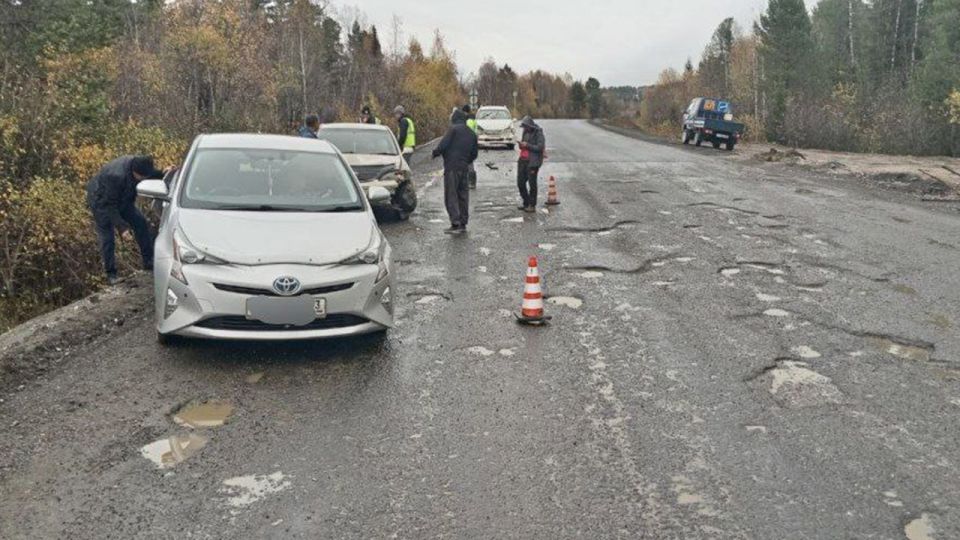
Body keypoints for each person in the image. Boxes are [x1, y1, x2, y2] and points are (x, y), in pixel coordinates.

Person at [85, 155, 169, 285]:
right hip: (102, 202)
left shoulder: (140, 165)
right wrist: (122, 228)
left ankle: (148, 261)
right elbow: (110, 206)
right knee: (108, 237)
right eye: (142, 178)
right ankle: (111, 274)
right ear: (135, 172)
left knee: (140, 223)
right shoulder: (115, 176)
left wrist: (164, 172)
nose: (144, 180)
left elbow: (151, 174)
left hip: (123, 199)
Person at [432, 108, 478, 235]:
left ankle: (455, 223)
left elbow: (443, 145)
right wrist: (466, 161)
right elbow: (474, 153)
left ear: (454, 119)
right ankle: (463, 223)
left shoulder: (453, 130)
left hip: (452, 168)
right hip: (464, 168)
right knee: (463, 196)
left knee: (451, 196)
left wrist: (435, 153)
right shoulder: (471, 133)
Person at [517, 116, 545, 212]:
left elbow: (540, 147)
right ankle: (526, 202)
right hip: (523, 160)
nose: (525, 128)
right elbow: (524, 145)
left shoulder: (538, 133)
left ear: (530, 126)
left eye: (526, 126)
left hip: (533, 162)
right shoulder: (525, 132)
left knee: (532, 184)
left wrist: (527, 145)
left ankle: (532, 205)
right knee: (520, 183)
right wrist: (521, 145)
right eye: (524, 127)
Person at [462, 104, 479, 189]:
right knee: (470, 162)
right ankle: (472, 181)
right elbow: (476, 133)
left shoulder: (468, 121)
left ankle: (470, 181)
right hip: (473, 143)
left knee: (467, 163)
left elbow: (466, 133)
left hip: (467, 144)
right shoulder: (473, 120)